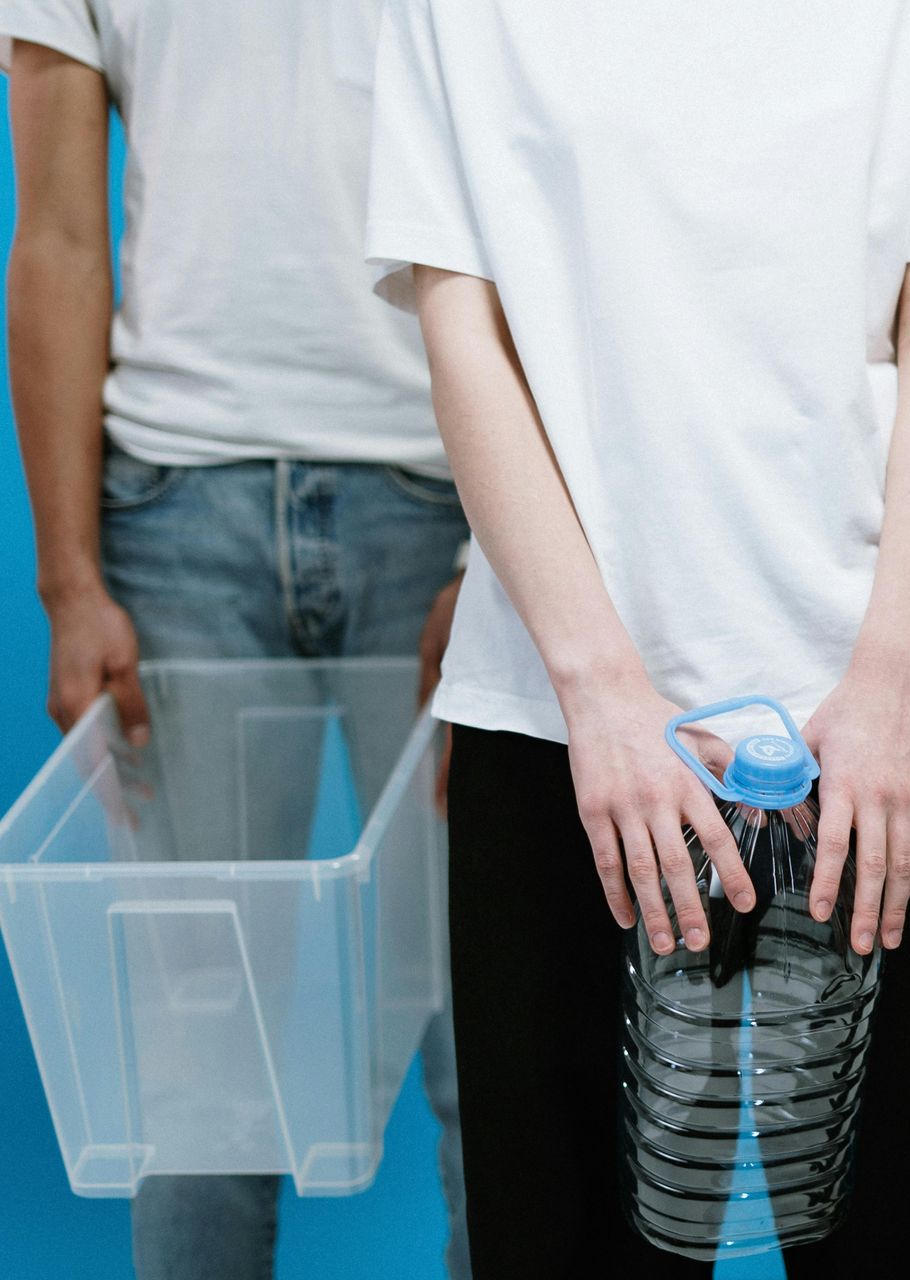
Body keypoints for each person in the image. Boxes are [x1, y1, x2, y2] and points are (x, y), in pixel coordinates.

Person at [361, 1, 910, 1275]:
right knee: (571, 1236)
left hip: (880, 707)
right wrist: (603, 692)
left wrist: (899, 674)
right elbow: (466, 330)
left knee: (909, 1233)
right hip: (567, 716)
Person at [0, 3, 471, 1276]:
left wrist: (502, 556)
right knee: (202, 1066)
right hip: (175, 510)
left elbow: (548, 203)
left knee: (493, 1042)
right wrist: (68, 580)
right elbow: (51, 232)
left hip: (447, 492)